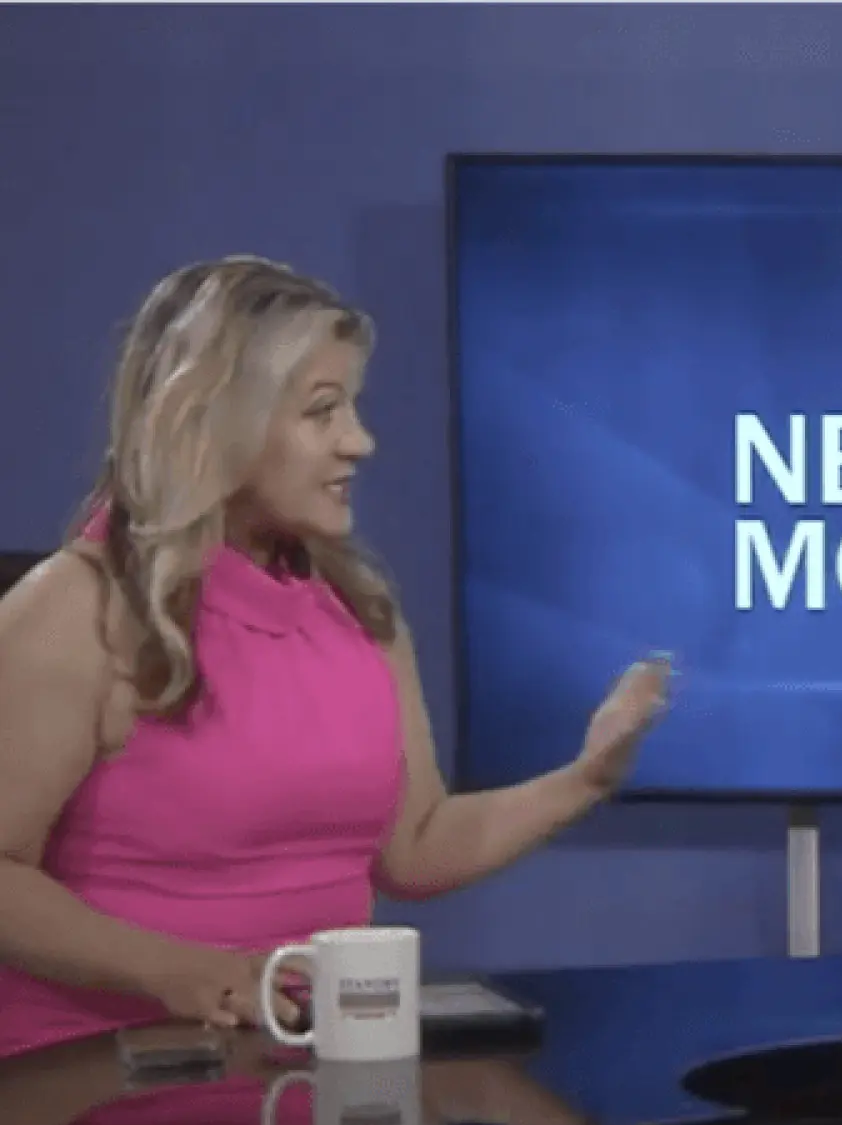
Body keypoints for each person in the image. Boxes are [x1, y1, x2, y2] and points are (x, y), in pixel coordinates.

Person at [0, 256, 668, 1057]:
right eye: (323, 412)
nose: (360, 441)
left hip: (300, 1077)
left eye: (353, 407)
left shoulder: (360, 609)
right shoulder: (76, 609)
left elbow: (414, 847)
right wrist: (175, 972)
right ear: (219, 419)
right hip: (93, 1083)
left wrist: (583, 780)